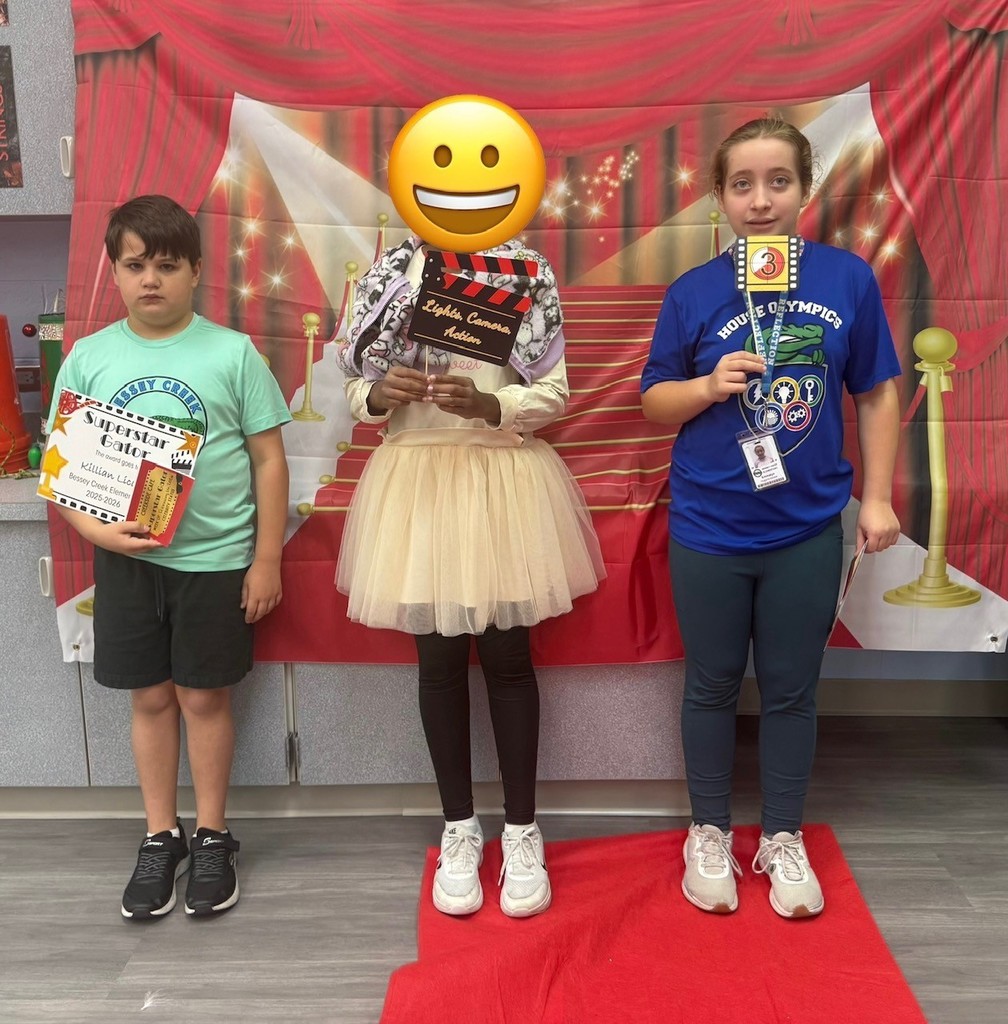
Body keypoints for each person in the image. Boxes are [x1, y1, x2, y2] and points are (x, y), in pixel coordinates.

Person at [641, 118, 901, 918]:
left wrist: (882, 495)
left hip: (807, 526)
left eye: (778, 182)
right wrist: (708, 385)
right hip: (711, 527)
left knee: (791, 689)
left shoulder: (847, 279)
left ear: (804, 190)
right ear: (720, 198)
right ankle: (709, 831)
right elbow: (654, 403)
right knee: (713, 684)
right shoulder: (692, 293)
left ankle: (782, 837)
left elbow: (878, 389)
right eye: (743, 185)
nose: (761, 201)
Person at [336, 236, 604, 918]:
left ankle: (521, 829)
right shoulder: (391, 272)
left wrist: (491, 406)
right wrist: (375, 393)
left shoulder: (525, 271)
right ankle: (459, 826)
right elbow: (352, 386)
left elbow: (555, 389)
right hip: (418, 476)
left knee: (511, 658)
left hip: (501, 475)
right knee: (439, 659)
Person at [49, 195, 291, 919]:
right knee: (150, 697)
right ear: (113, 272)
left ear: (194, 271)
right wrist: (93, 534)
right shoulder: (89, 359)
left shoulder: (230, 352)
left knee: (203, 696)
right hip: (126, 563)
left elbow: (269, 459)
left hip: (215, 561)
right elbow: (59, 470)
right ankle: (163, 837)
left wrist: (267, 558)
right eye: (134, 265)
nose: (150, 278)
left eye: (166, 264)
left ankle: (213, 834)